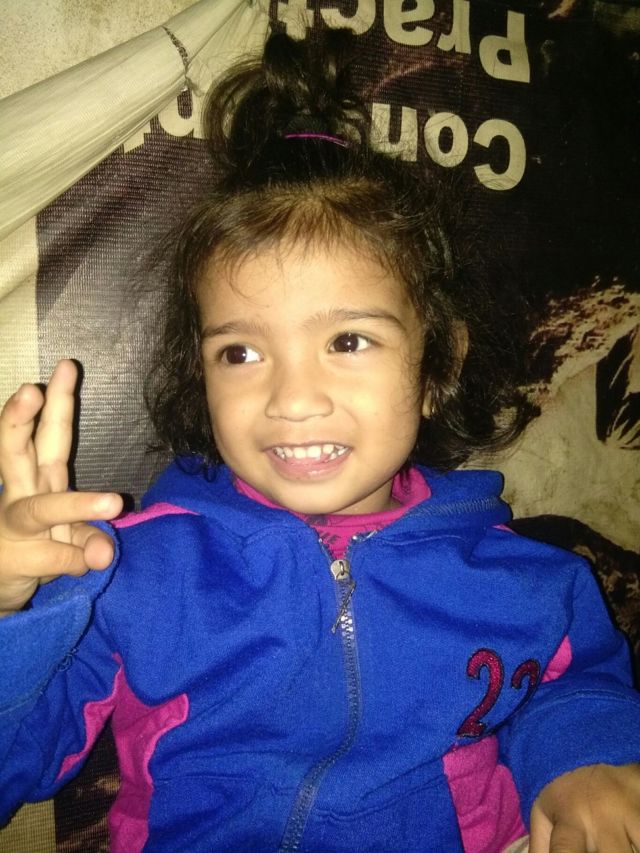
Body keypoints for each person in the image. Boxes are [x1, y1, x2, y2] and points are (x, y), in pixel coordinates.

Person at [1, 28, 639, 853]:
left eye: (348, 340)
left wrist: (583, 756)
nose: (292, 399)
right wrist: (13, 611)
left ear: (437, 363)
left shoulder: (530, 580)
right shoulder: (131, 572)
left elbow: (573, 686)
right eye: (240, 352)